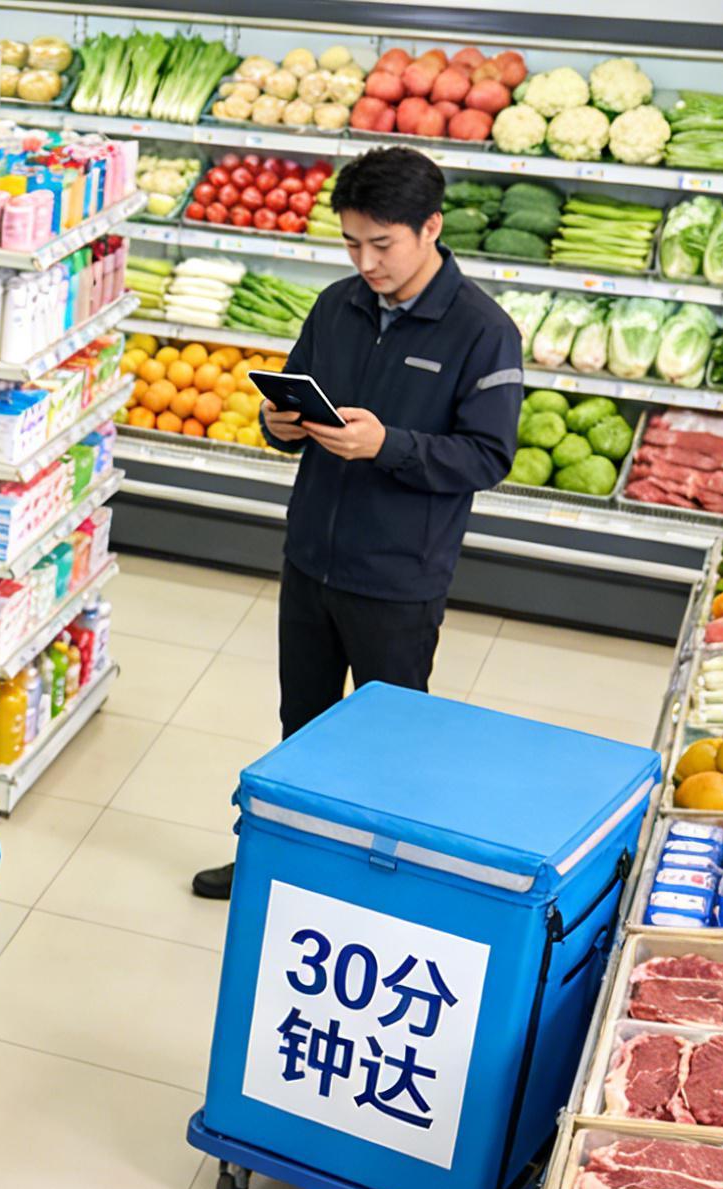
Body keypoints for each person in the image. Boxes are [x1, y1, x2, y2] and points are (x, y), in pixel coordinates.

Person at [192, 145, 522, 901]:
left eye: (382, 244)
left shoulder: (482, 331)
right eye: (351, 242)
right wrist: (282, 423)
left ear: (430, 227)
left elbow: (486, 455)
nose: (365, 261)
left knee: (390, 746)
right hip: (311, 557)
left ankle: (378, 888)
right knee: (300, 727)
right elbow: (293, 407)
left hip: (399, 576)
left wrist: (389, 446)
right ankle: (274, 862)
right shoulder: (336, 304)